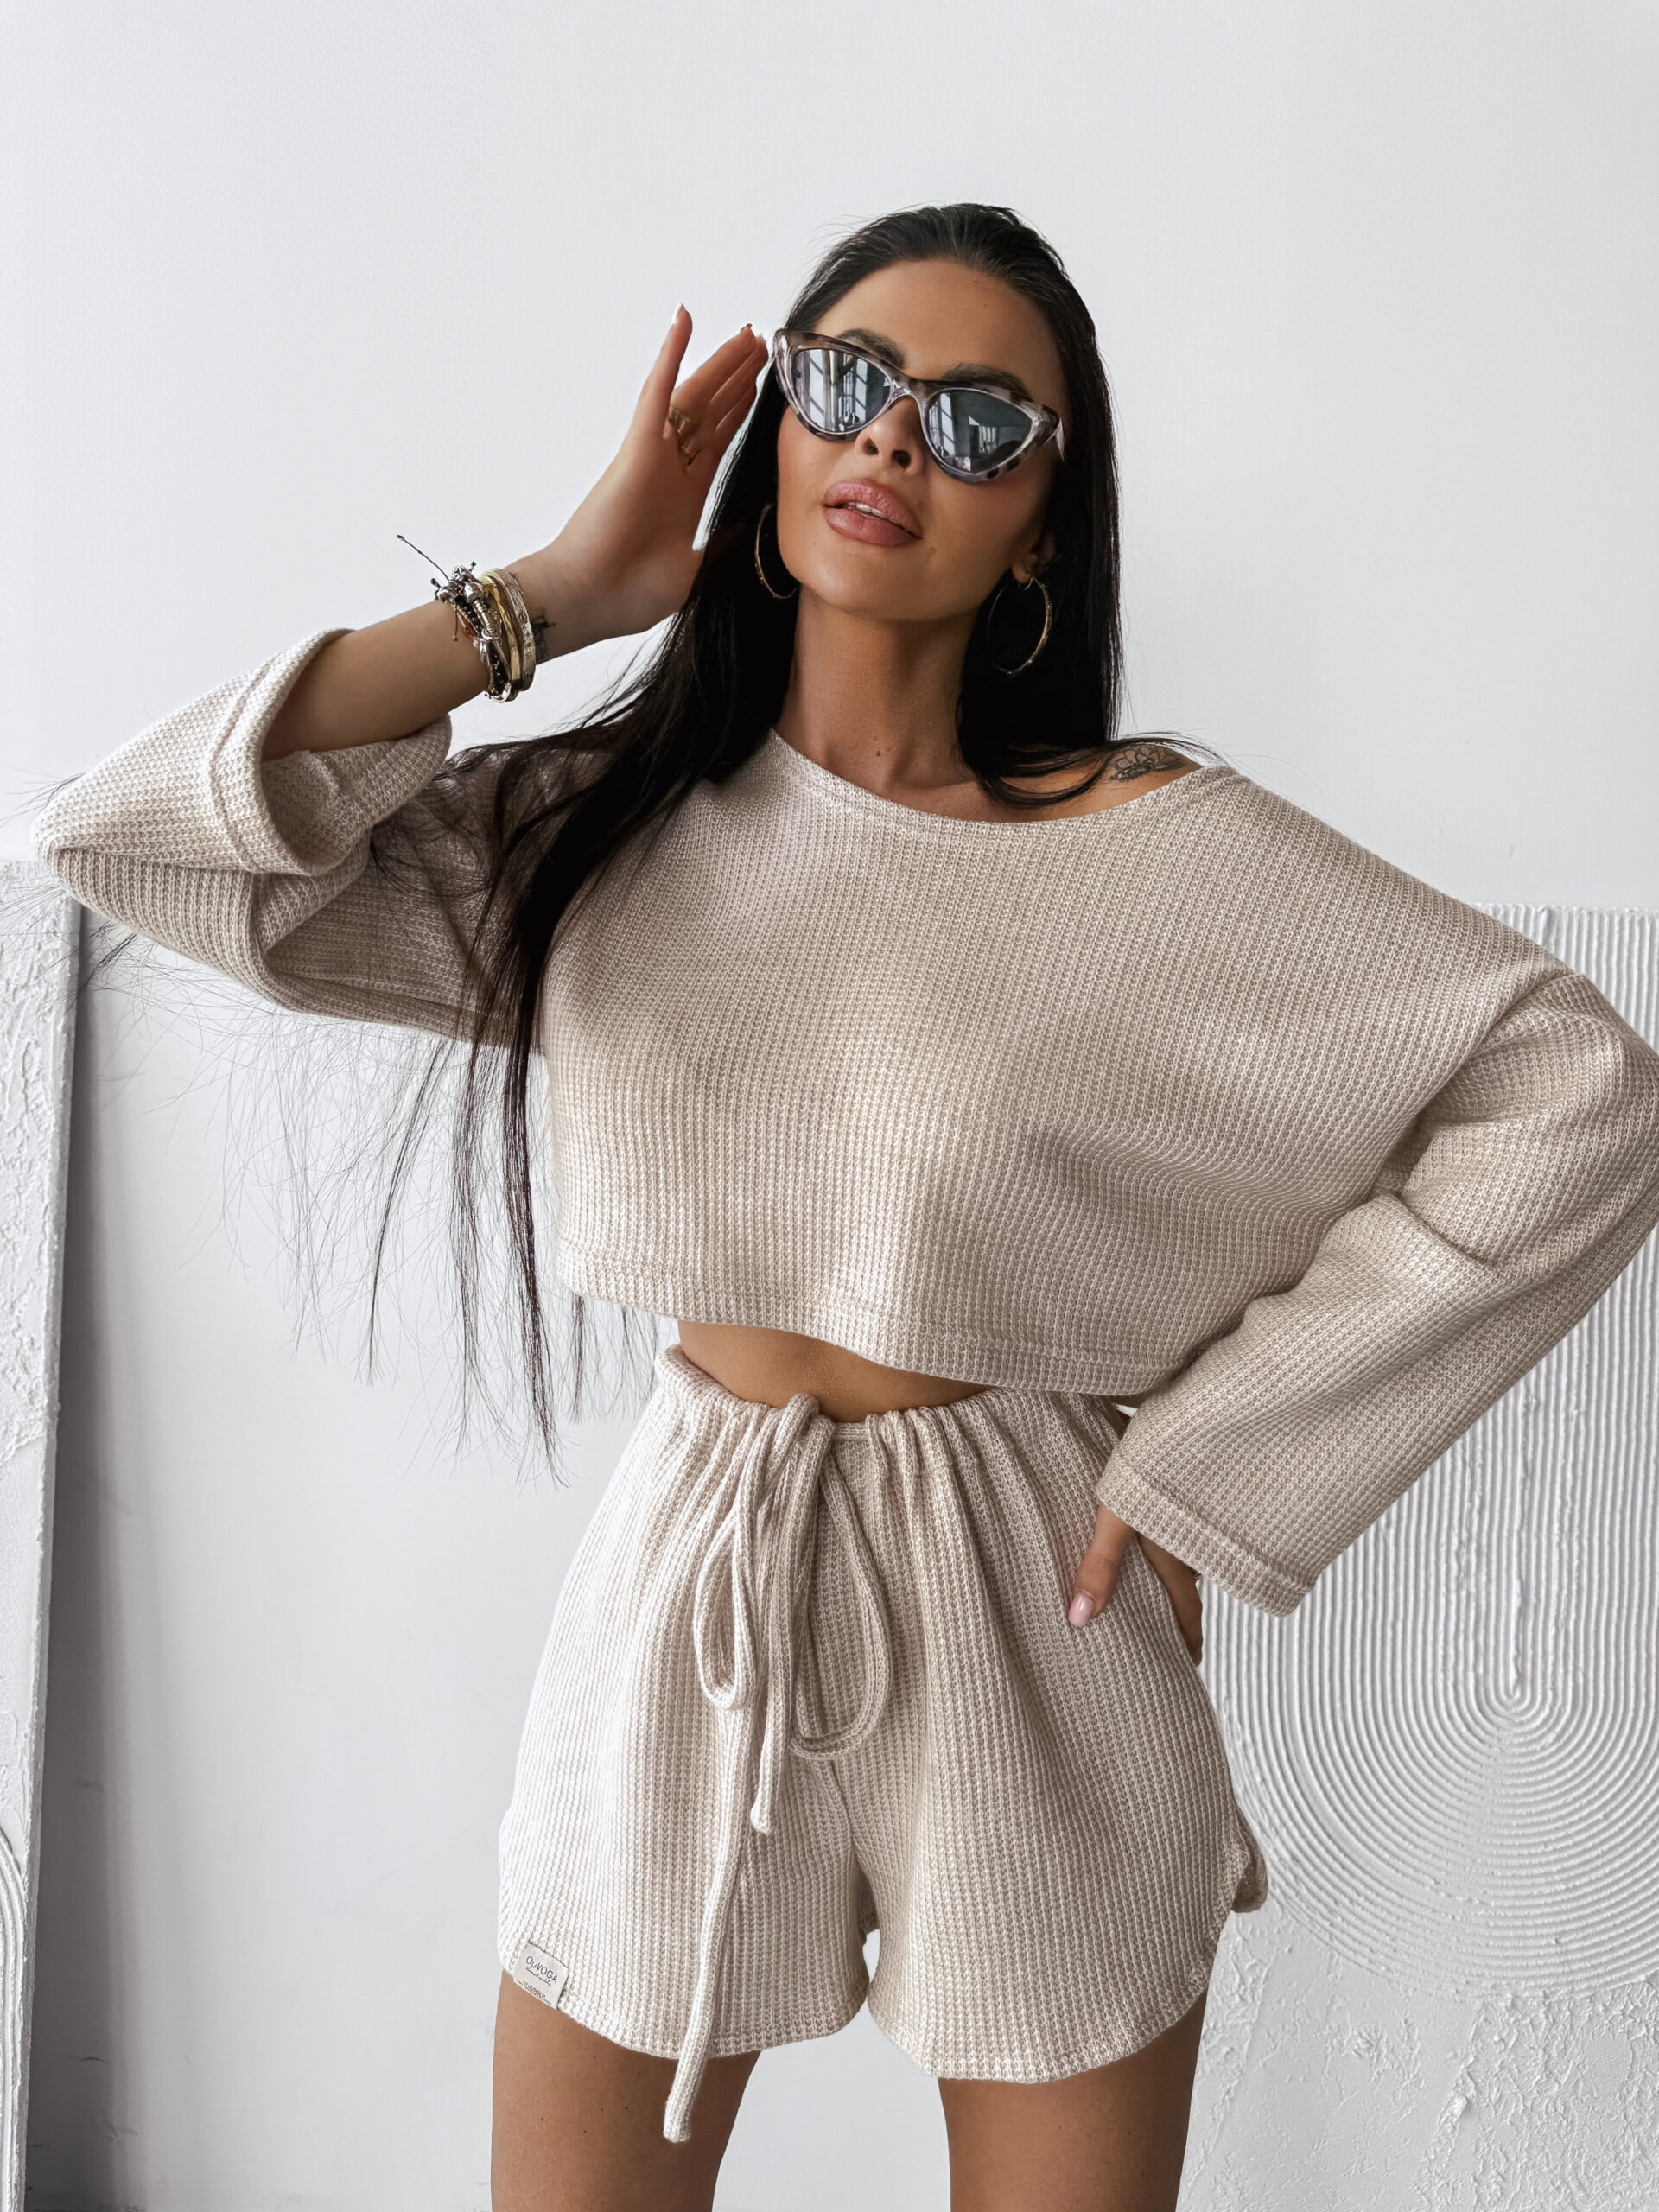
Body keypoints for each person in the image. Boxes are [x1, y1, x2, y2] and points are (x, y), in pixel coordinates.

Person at [33, 203, 1659, 2212]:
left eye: (980, 421)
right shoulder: (610, 833)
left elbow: (1578, 1089)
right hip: (693, 1577)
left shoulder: (1157, 855)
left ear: (1043, 526)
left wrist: (1222, 1464)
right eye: (848, 381)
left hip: (1034, 1600)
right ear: (777, 429)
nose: (895, 437)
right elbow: (135, 842)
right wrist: (560, 589)